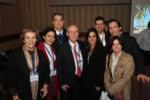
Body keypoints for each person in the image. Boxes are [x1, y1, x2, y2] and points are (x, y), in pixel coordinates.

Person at [7, 29, 50, 100]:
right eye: (28, 38)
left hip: (38, 90)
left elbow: (46, 71)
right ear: (23, 40)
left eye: (33, 37)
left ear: (36, 40)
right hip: (22, 92)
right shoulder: (15, 55)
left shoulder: (41, 54)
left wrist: (45, 86)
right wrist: (14, 94)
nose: (31, 40)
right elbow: (10, 76)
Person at [108, 19, 150, 83]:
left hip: (127, 76)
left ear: (120, 28)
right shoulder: (109, 40)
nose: (112, 30)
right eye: (110, 28)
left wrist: (140, 72)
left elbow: (138, 56)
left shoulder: (130, 40)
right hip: (113, 75)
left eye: (114, 27)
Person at [57, 24, 84, 100]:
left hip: (80, 79)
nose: (74, 34)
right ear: (67, 34)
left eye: (76, 32)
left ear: (78, 33)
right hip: (67, 82)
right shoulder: (61, 48)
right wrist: (62, 83)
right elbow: (59, 67)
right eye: (71, 32)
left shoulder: (82, 45)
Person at [104, 36, 135, 100]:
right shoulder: (108, 57)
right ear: (111, 47)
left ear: (121, 45)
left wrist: (111, 90)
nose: (116, 46)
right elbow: (106, 73)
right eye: (114, 44)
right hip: (110, 90)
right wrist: (108, 87)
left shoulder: (129, 58)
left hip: (122, 91)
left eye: (118, 44)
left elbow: (125, 79)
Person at [82, 28, 106, 100]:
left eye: (94, 36)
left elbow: (102, 69)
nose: (91, 38)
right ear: (87, 38)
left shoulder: (102, 50)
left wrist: (99, 84)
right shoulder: (86, 49)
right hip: (86, 82)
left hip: (96, 84)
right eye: (89, 36)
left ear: (97, 37)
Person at [37, 27, 59, 100]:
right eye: (48, 36)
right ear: (44, 37)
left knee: (52, 95)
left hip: (53, 76)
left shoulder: (52, 47)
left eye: (53, 36)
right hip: (45, 79)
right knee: (46, 96)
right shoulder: (39, 48)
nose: (51, 38)